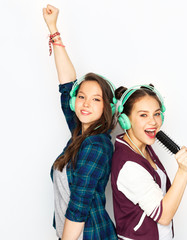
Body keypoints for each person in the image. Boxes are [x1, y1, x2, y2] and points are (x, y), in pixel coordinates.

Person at [43, 4, 118, 240]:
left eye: (96, 99)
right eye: (82, 97)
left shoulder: (96, 145)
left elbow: (79, 204)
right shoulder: (80, 132)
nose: (86, 104)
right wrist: (53, 28)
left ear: (107, 107)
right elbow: (67, 86)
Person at [111, 85, 187, 240]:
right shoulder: (129, 166)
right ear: (125, 120)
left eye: (156, 114)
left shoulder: (142, 146)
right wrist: (183, 172)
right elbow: (163, 216)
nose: (154, 122)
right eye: (143, 115)